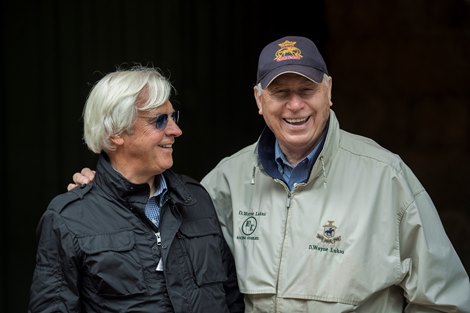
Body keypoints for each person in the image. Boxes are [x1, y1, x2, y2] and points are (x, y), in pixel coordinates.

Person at [68, 37, 470, 312]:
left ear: (329, 91)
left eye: (307, 90)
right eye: (280, 93)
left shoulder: (386, 177)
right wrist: (104, 194)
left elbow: (445, 300)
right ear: (259, 101)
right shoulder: (225, 182)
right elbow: (156, 236)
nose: (295, 106)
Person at [29, 65, 244, 313]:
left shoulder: (195, 198)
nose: (175, 130)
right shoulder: (68, 219)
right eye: (160, 120)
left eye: (174, 117)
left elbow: (231, 299)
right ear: (115, 134)